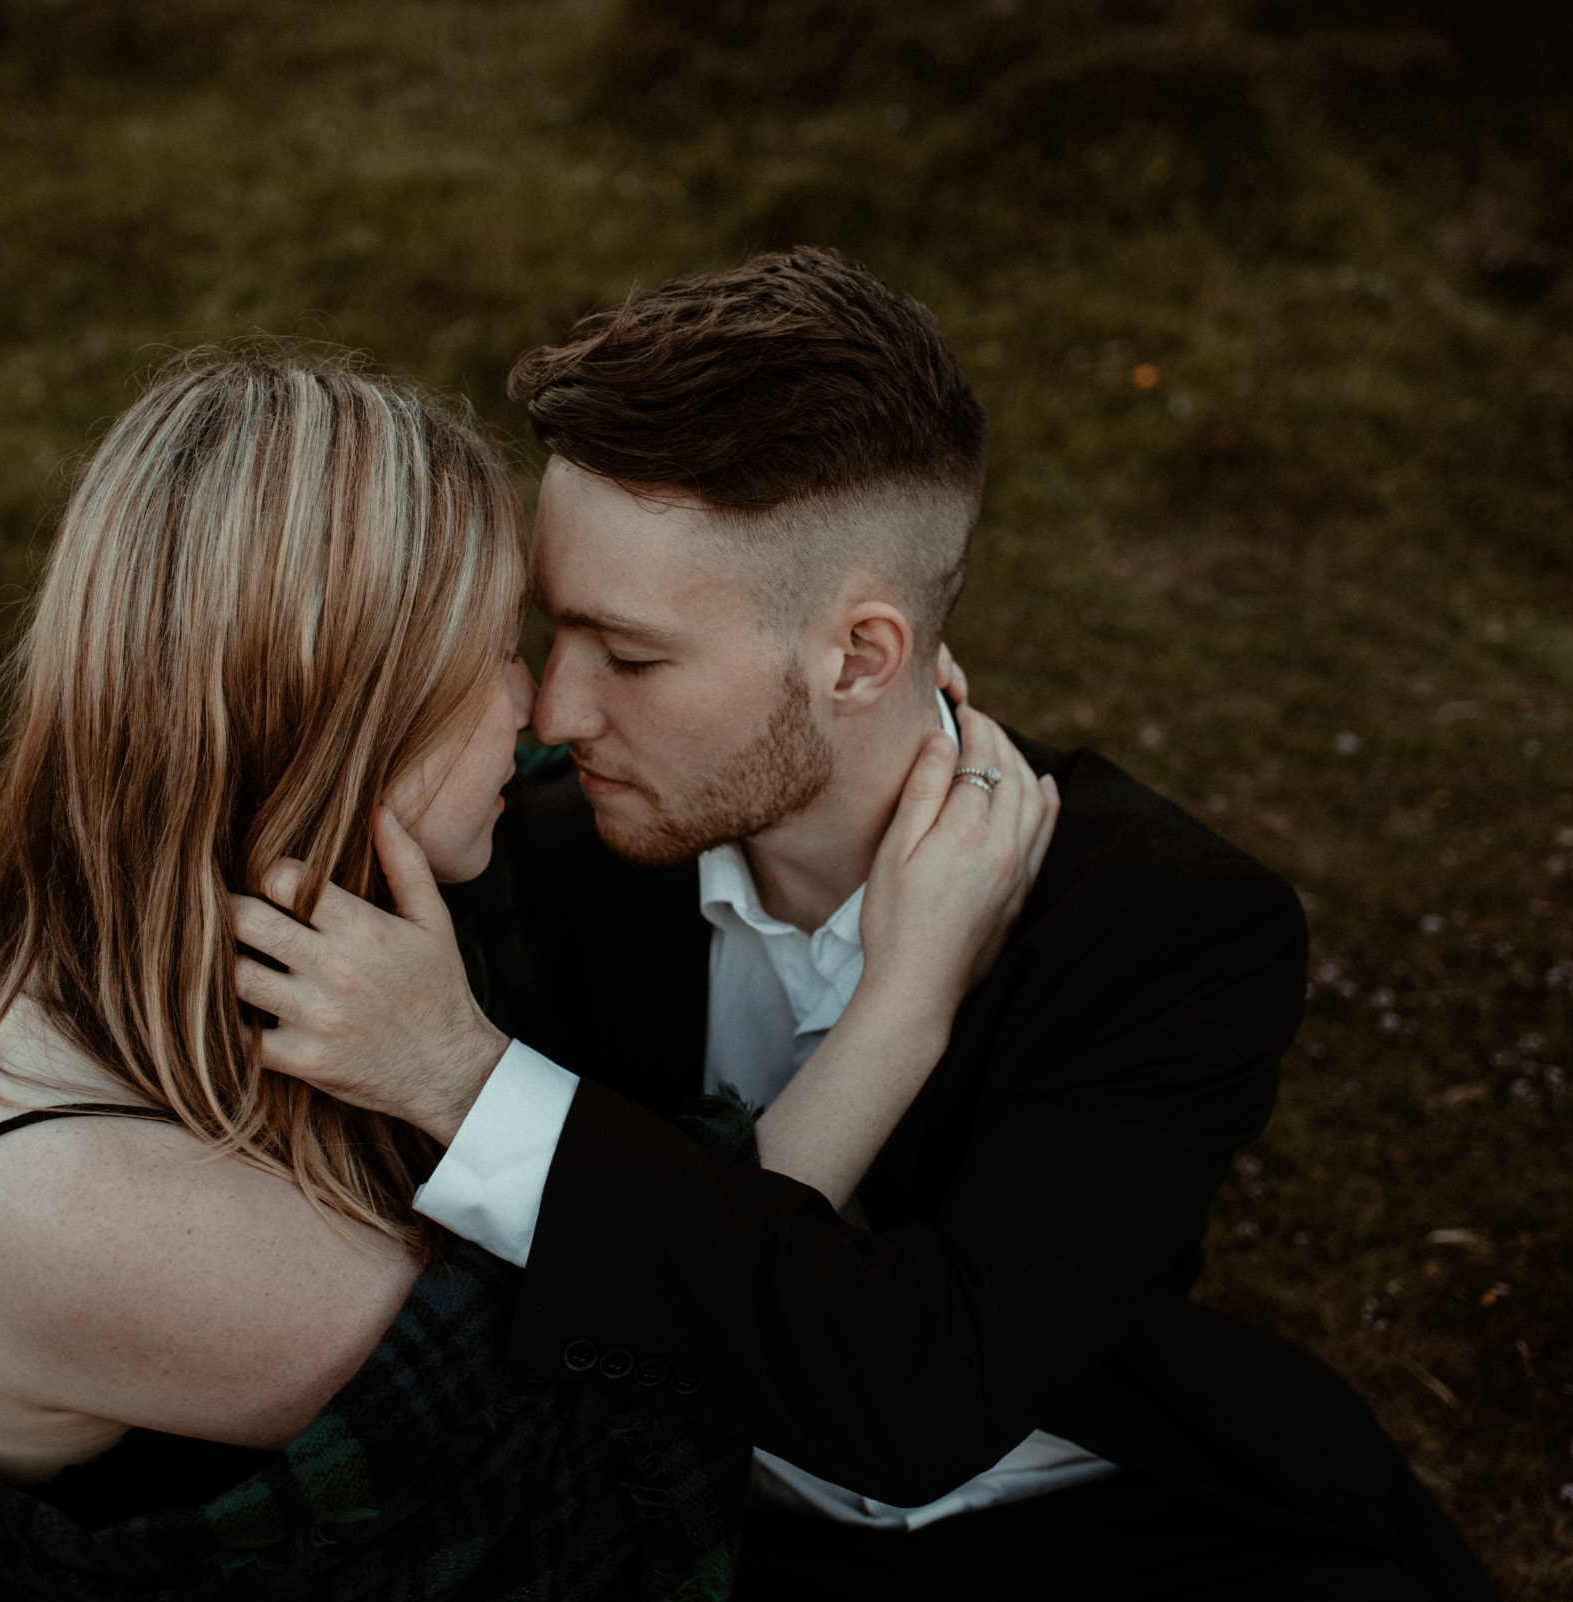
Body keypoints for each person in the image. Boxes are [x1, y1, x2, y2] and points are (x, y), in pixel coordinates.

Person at [236, 251, 1501, 1600]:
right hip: (679, 1519)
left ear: (859, 657)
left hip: (1070, 1505)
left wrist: (466, 1084)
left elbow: (929, 1395)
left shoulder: (1169, 929)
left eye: (634, 655)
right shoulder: (550, 851)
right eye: (559, 633)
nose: (557, 713)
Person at [0, 354, 1058, 1601]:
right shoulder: (83, 1215)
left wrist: (839, 736)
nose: (538, 707)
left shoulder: (264, 931)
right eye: (492, 653)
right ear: (343, 725)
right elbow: (639, 1405)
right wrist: (907, 999)